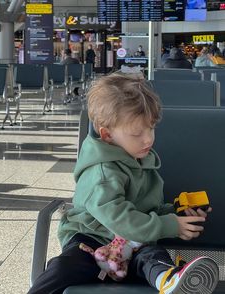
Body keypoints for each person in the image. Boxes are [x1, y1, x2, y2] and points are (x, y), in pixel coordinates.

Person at [28, 73, 219, 294]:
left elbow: (147, 210)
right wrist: (169, 225)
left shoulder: (142, 160)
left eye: (151, 128)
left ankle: (168, 280)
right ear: (107, 135)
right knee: (65, 266)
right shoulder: (101, 172)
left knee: (152, 257)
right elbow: (120, 218)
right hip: (90, 240)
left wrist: (176, 213)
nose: (148, 139)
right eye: (137, 133)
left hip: (133, 244)